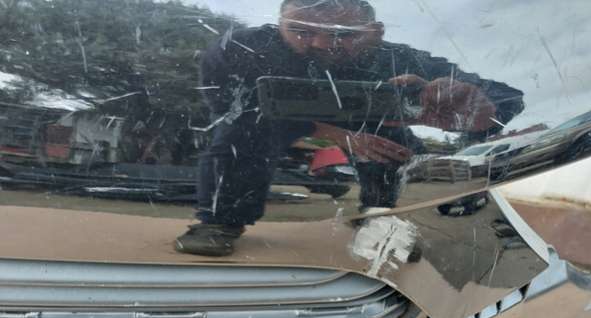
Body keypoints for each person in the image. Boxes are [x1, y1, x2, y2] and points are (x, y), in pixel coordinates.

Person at [175, 0, 525, 256]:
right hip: (276, 119)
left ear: (376, 32)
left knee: (397, 150)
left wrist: (476, 106)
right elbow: (224, 106)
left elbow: (508, 97)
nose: (320, 44)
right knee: (239, 134)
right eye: (301, 31)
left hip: (374, 123)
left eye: (342, 34)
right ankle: (220, 220)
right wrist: (331, 133)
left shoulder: (399, 58)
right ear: (281, 22)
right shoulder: (244, 48)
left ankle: (381, 214)